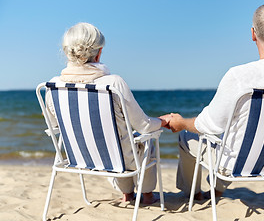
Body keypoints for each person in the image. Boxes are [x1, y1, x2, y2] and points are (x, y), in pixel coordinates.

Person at [167, 2, 264, 200]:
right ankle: (216, 191)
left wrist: (181, 123)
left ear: (253, 34)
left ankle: (194, 194)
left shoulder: (240, 76)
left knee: (188, 137)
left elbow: (209, 125)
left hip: (237, 164)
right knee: (240, 136)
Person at [45, 22, 171, 204]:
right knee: (146, 140)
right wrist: (163, 121)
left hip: (82, 159)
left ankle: (127, 194)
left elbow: (54, 125)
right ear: (99, 52)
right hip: (121, 160)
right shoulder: (113, 84)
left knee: (116, 139)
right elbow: (144, 126)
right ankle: (148, 195)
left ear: (67, 52)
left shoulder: (53, 86)